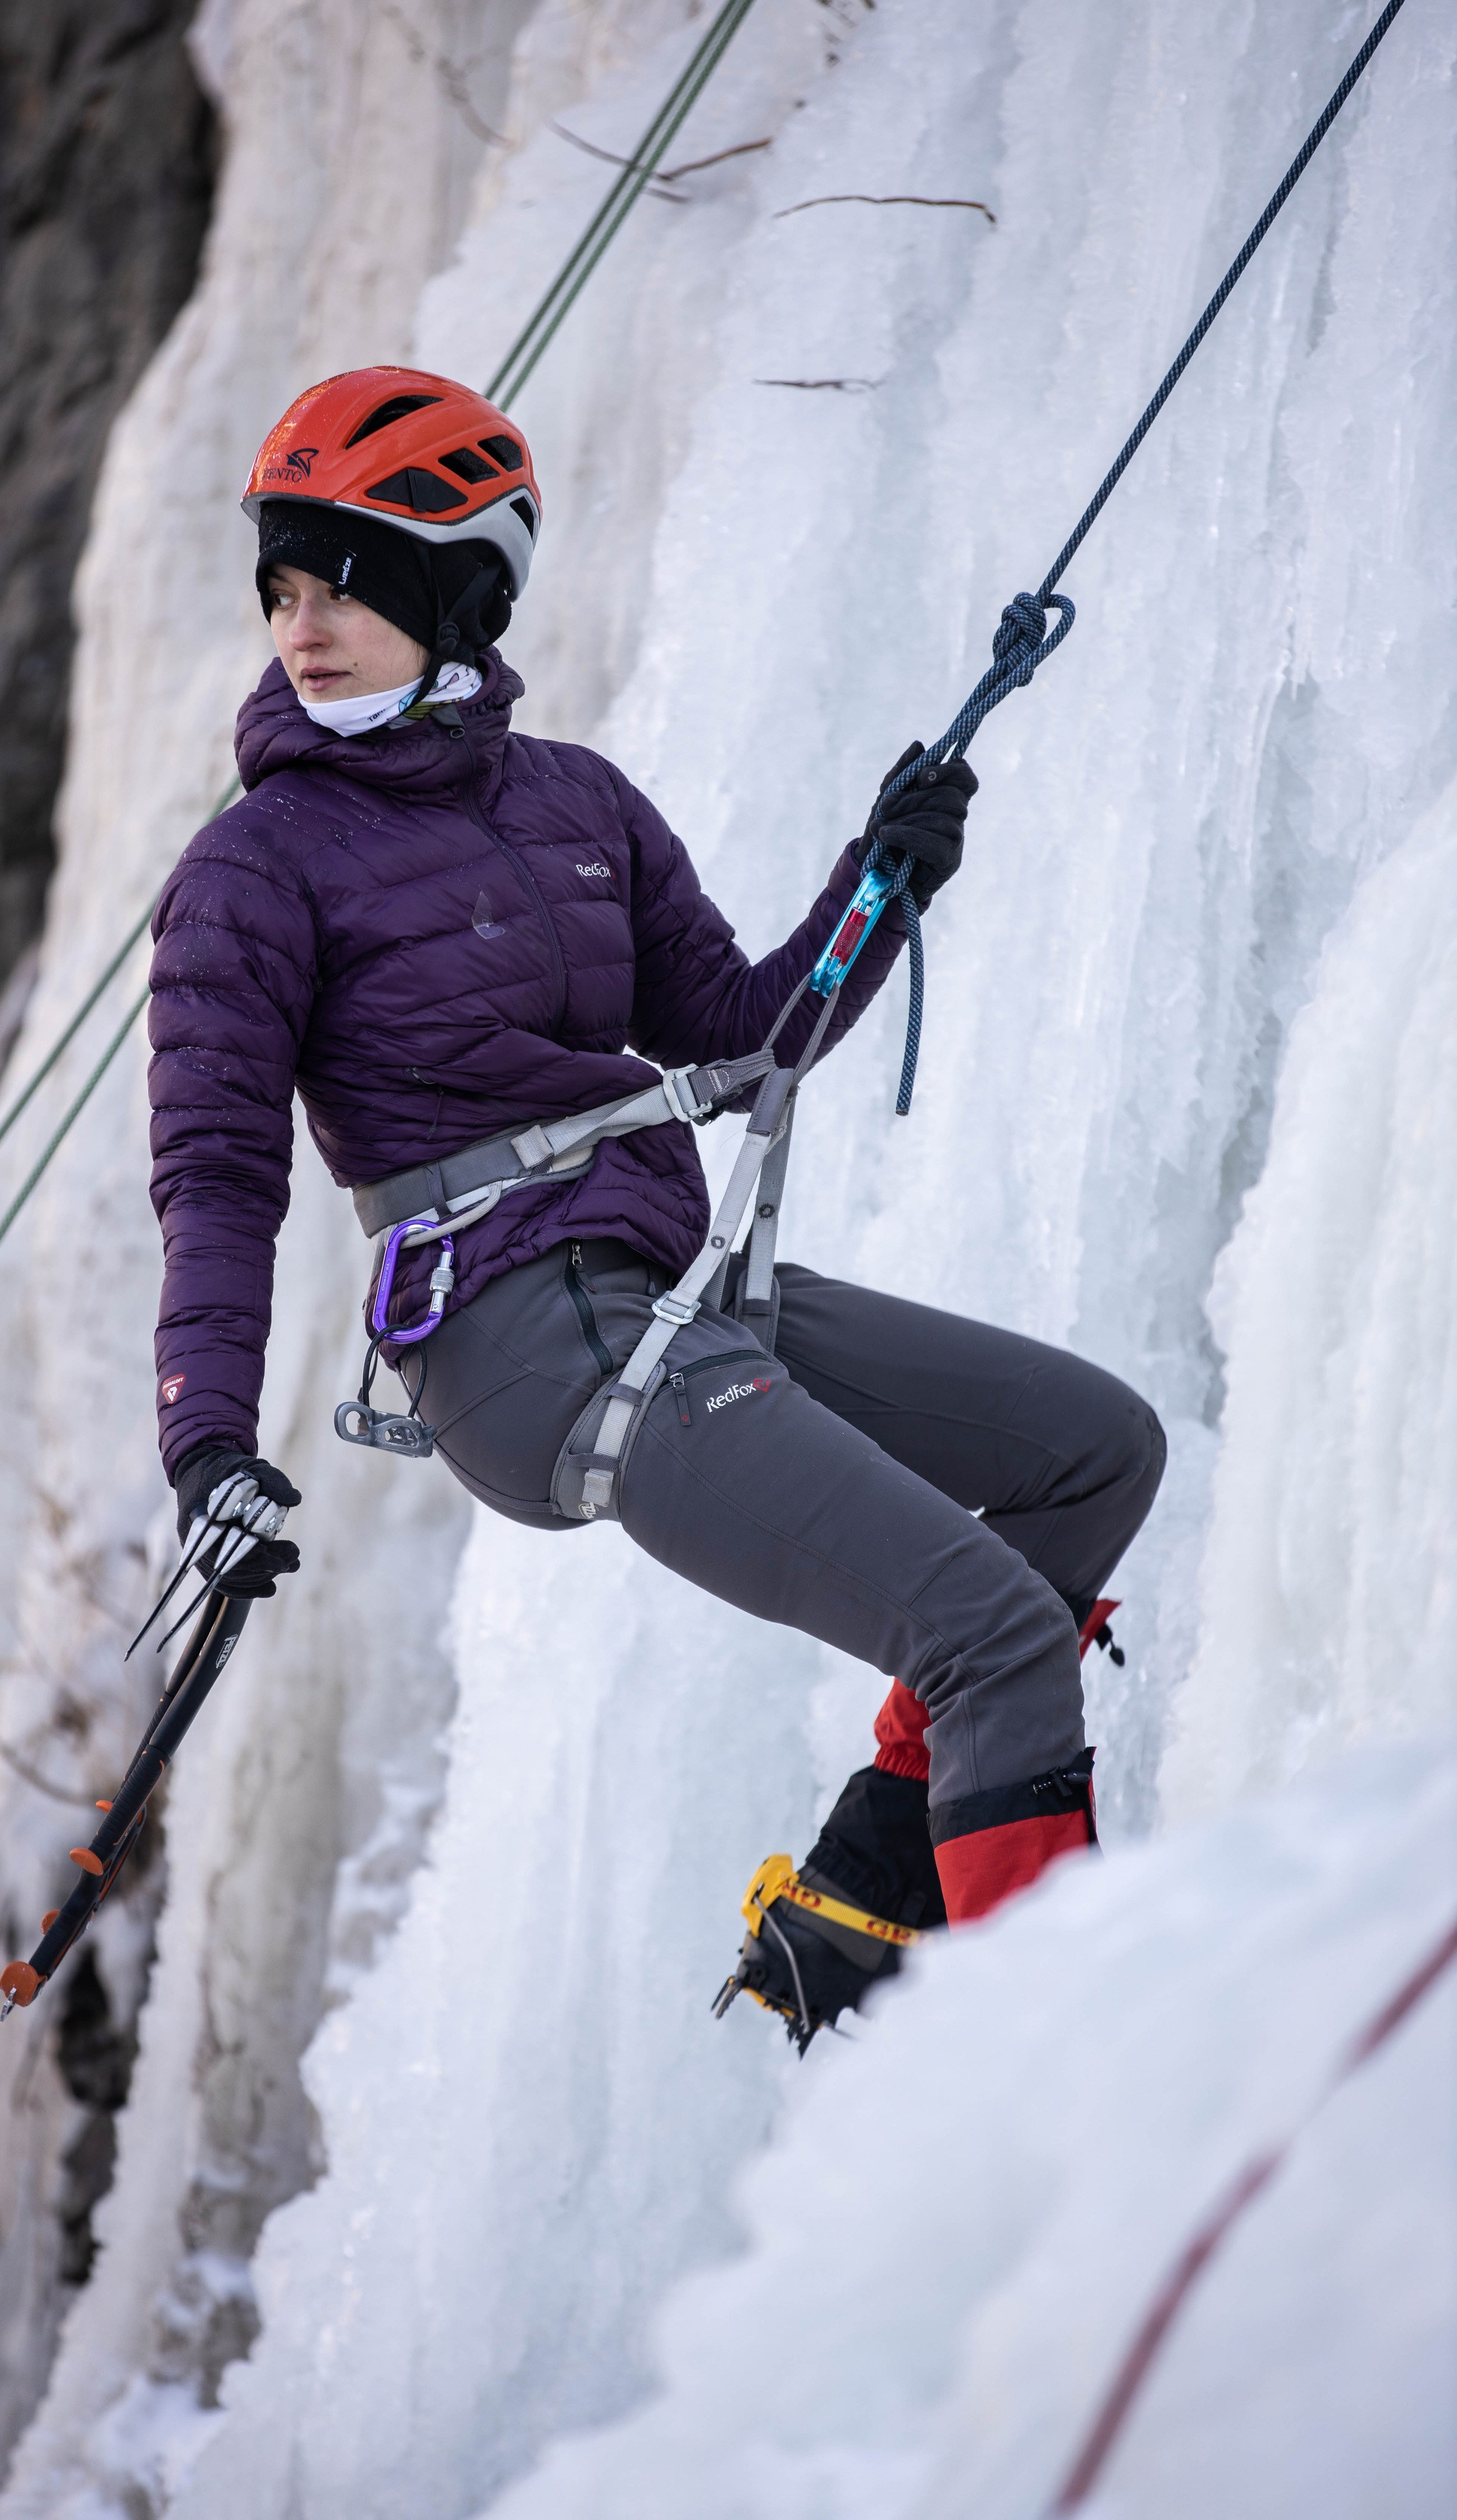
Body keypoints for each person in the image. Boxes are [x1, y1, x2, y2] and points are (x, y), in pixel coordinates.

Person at [148, 366, 1166, 2054]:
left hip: (671, 1298)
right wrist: (207, 1444)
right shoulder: (258, 869)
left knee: (1090, 1449)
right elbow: (217, 1177)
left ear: (454, 592)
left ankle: (868, 1879)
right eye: (282, 590)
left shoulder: (577, 803)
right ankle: (1049, 2092)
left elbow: (747, 1034)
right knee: (988, 1629)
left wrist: (882, 876)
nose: (300, 626)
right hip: (522, 1355)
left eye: (341, 584)